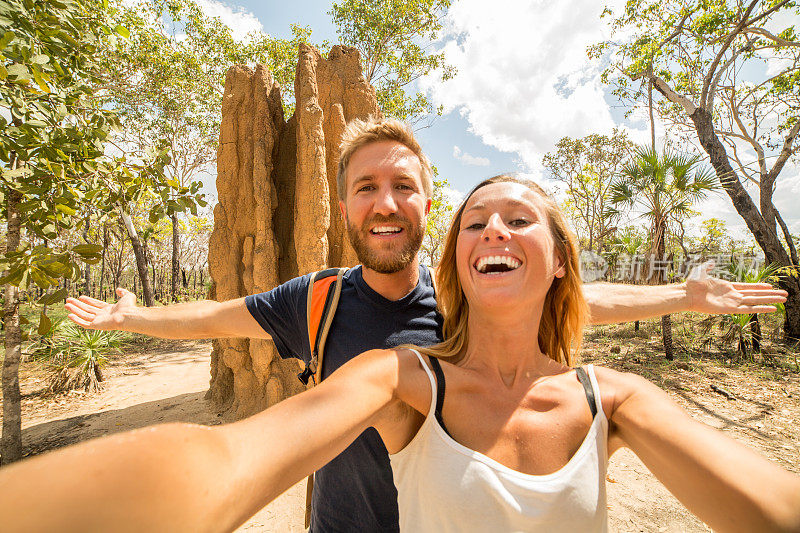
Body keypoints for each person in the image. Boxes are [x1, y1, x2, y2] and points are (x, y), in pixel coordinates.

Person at [63, 119, 788, 533]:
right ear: (343, 207)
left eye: (402, 186)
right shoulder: (318, 301)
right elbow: (221, 321)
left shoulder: (466, 297)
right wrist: (138, 316)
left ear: (424, 205)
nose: (385, 203)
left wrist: (680, 298)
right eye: (365, 188)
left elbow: (582, 297)